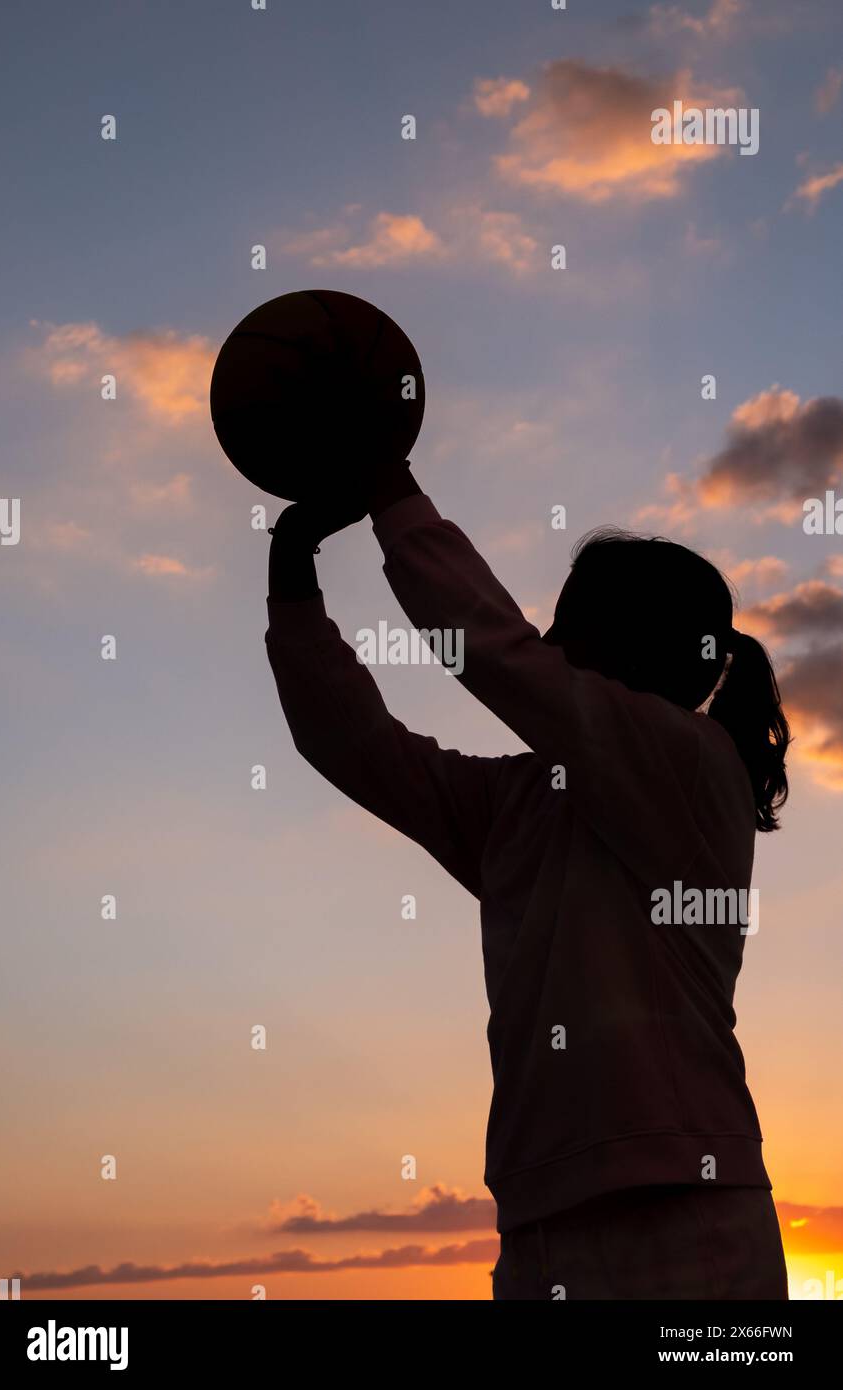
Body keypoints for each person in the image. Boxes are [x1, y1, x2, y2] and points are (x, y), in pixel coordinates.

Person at [265, 459, 791, 1300]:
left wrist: (391, 488)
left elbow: (496, 654)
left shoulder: (696, 768)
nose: (544, 641)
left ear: (630, 645)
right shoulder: (520, 800)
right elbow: (355, 745)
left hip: (685, 1217)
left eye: (565, 623)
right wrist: (292, 573)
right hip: (541, 1221)